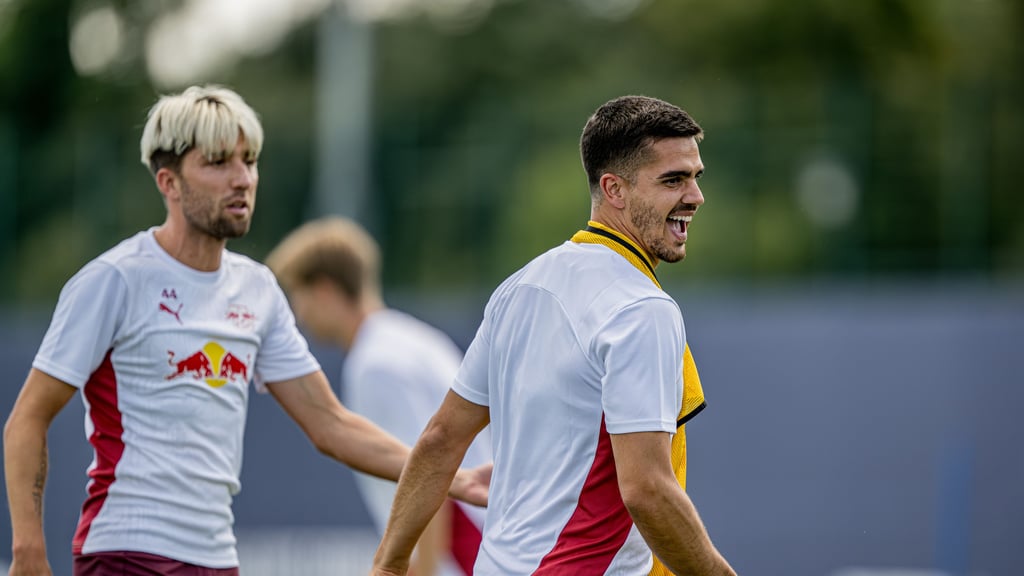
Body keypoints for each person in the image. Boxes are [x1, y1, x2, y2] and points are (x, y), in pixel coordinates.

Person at [2, 85, 488, 576]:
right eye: (217, 163)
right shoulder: (115, 280)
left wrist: (454, 478)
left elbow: (332, 426)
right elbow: (27, 418)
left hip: (217, 559)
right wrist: (27, 551)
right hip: (127, 554)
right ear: (168, 182)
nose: (242, 179)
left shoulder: (257, 289)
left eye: (249, 160)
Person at [371, 95, 736, 576]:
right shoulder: (641, 308)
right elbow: (647, 490)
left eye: (695, 177)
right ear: (614, 189)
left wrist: (389, 563)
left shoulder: (519, 287)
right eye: (673, 179)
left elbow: (441, 438)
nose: (695, 196)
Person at [265, 216, 490, 576]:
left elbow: (431, 467)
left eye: (298, 297)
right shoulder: (412, 338)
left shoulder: (376, 364)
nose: (299, 315)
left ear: (323, 290)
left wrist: (424, 570)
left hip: (459, 558)